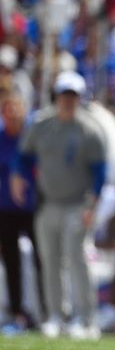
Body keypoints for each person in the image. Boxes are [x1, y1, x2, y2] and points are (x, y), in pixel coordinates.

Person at [11, 71, 106, 339]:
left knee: (77, 260)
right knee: (49, 261)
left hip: (77, 204)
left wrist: (92, 206)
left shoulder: (89, 129)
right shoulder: (41, 125)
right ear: (57, 96)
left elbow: (100, 172)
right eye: (64, 95)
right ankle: (55, 315)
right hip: (48, 203)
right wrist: (18, 177)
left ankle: (85, 318)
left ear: (79, 98)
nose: (67, 100)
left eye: (72, 96)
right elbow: (24, 156)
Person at [0, 91, 42, 334]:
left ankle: (46, 311)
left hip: (32, 208)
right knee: (12, 264)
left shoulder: (32, 138)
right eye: (8, 109)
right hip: (6, 209)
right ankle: (16, 312)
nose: (12, 114)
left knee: (41, 261)